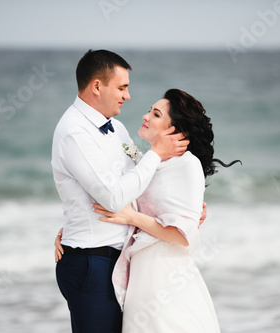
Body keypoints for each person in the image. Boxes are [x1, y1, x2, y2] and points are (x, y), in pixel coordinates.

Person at [51, 49, 189, 333]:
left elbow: (142, 183)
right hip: (92, 264)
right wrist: (156, 153)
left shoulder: (117, 128)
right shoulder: (74, 132)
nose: (128, 95)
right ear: (97, 86)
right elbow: (114, 198)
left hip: (119, 261)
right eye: (122, 87)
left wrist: (185, 209)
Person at [91, 89, 241, 332]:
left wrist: (131, 217)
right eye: (150, 110)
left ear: (176, 131)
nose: (146, 116)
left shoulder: (188, 165)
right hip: (142, 276)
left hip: (166, 277)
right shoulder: (146, 162)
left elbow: (182, 235)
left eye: (156, 114)